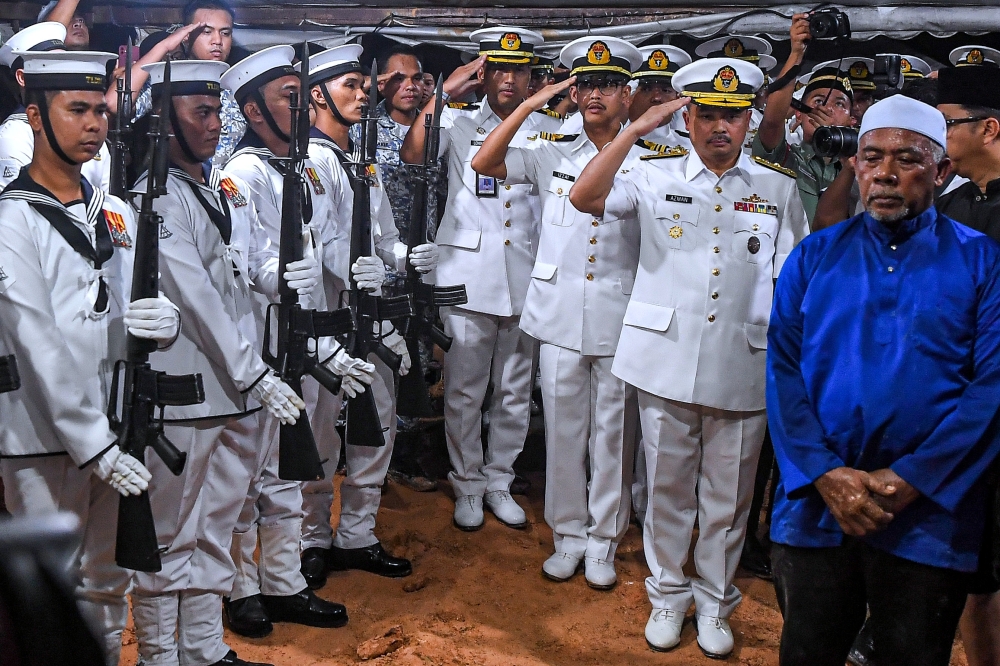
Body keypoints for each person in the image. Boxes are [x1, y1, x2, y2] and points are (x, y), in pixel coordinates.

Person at [571, 57, 809, 657]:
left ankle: (715, 603)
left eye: (732, 114)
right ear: (689, 117)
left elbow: (793, 276)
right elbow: (584, 196)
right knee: (668, 491)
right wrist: (633, 129)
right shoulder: (651, 175)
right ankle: (667, 596)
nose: (719, 127)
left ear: (750, 119)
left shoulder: (777, 188)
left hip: (742, 361)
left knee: (727, 497)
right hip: (664, 358)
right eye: (707, 114)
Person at [767, 94, 1000, 666]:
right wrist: (824, 472)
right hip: (819, 507)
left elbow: (991, 387)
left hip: (928, 514)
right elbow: (783, 373)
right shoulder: (814, 257)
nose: (885, 174)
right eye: (871, 157)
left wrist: (913, 479)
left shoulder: (982, 262)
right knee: (808, 652)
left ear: (942, 171)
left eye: (908, 159)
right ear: (856, 165)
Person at [129, 58, 319, 666]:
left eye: (217, 111)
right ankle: (161, 655)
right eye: (200, 112)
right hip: (188, 394)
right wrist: (258, 374)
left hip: (233, 394)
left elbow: (235, 276)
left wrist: (280, 278)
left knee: (213, 527)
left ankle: (204, 646)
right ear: (162, 120)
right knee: (167, 535)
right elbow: (199, 301)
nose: (215, 123)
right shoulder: (154, 201)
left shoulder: (211, 189)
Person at [473, 35, 676, 591]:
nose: (594, 95)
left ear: (628, 94)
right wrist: (529, 105)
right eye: (586, 83)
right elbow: (484, 161)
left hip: (621, 313)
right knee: (564, 430)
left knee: (613, 434)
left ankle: (604, 541)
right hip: (559, 311)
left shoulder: (656, 159)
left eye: (608, 85)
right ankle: (568, 535)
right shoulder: (549, 149)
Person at [0, 48, 180, 666]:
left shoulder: (115, 211)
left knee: (107, 579)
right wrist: (95, 443)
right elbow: (34, 334)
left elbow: (132, 307)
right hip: (41, 434)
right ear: (33, 117)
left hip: (118, 419)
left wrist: (162, 325)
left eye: (100, 109)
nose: (94, 124)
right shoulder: (10, 218)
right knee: (54, 586)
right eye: (76, 109)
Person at [220, 44, 363, 639]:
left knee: (285, 473)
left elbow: (328, 241)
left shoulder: (302, 167)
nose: (302, 105)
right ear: (255, 113)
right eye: (288, 97)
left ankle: (283, 582)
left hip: (297, 338)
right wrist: (271, 275)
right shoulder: (242, 174)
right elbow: (232, 264)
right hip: (254, 344)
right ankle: (239, 587)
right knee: (244, 477)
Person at [400, 27, 561, 532]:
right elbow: (412, 155)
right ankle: (467, 482)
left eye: (520, 70)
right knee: (466, 388)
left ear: (533, 76)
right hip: (468, 271)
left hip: (527, 272)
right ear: (485, 73)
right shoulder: (456, 120)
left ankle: (499, 478)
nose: (510, 79)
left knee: (514, 388)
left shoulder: (550, 127)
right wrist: (444, 91)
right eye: (500, 69)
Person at [298, 43, 433, 589]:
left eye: (362, 84)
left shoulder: (365, 162)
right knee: (318, 434)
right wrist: (357, 267)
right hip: (327, 320)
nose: (362, 94)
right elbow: (314, 243)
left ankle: (357, 534)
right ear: (317, 94)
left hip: (374, 317)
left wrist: (404, 257)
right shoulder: (307, 162)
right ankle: (311, 539)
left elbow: (384, 235)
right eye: (350, 84)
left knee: (375, 429)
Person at [936, 63, 1000, 666]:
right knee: (978, 573)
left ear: (990, 129)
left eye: (949, 124)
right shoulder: (951, 208)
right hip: (964, 413)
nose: (940, 133)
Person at [754, 13, 856, 224]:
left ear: (851, 121)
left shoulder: (859, 167)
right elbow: (772, 121)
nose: (827, 109)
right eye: (818, 100)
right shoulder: (785, 158)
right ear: (799, 113)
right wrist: (797, 52)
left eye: (839, 104)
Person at [131, 0, 245, 166]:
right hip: (177, 183)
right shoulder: (170, 79)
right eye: (207, 32)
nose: (217, 41)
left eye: (225, 33)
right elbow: (116, 105)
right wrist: (165, 45)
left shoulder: (238, 82)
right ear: (186, 35)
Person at [0, 22, 110, 190]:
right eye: (50, 67)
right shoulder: (14, 135)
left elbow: (105, 200)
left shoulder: (91, 128)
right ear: (22, 77)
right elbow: (19, 200)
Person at [628, 44, 692, 149]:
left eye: (665, 90)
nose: (657, 98)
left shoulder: (692, 147)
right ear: (629, 96)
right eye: (646, 89)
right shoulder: (608, 146)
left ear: (677, 98)